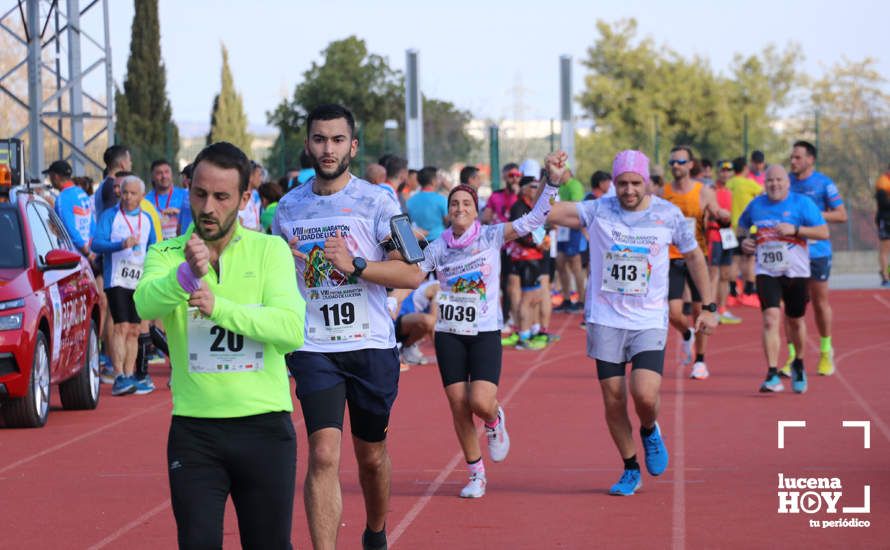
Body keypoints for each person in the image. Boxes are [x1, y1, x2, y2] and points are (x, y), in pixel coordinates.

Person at [134, 141, 305, 549]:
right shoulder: (166, 252)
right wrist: (185, 277)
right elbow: (144, 302)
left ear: (245, 198)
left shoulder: (271, 250)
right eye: (200, 194)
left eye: (222, 196)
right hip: (196, 432)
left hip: (264, 427)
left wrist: (220, 307)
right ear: (188, 189)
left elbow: (290, 329)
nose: (208, 207)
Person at [272, 103, 423, 550]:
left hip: (371, 345)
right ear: (307, 144)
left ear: (352, 146)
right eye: (319, 139)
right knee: (322, 454)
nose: (328, 148)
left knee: (371, 457)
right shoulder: (288, 208)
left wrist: (356, 264)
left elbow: (412, 272)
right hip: (314, 344)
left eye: (338, 140)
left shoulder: (379, 201)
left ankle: (375, 532)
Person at [546, 149, 717, 496]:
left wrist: (710, 304)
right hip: (606, 318)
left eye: (635, 183)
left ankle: (650, 429)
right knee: (613, 397)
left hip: (649, 318)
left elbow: (695, 256)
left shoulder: (668, 215)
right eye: (622, 183)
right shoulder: (597, 210)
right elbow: (546, 213)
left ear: (648, 184)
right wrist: (552, 179)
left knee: (644, 391)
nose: (628, 190)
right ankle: (629, 467)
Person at [418, 153, 566, 498]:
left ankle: (495, 419)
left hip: (483, 331)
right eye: (454, 203)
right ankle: (476, 474)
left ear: (475, 208)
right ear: (448, 210)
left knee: (480, 400)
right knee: (458, 404)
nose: (459, 208)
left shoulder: (490, 236)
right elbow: (412, 274)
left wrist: (553, 183)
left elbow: (533, 221)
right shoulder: (437, 247)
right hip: (449, 333)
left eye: (465, 202)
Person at [737, 165, 828, 393]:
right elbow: (741, 226)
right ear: (764, 183)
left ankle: (798, 362)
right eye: (770, 181)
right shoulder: (756, 205)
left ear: (787, 182)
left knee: (795, 320)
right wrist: (744, 241)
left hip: (796, 272)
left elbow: (823, 232)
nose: (774, 184)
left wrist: (796, 230)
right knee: (770, 318)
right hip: (767, 271)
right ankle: (772, 373)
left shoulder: (802, 203)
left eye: (779, 180)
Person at [663, 146, 730, 380]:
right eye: (672, 162)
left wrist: (722, 215)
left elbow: (717, 211)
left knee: (699, 310)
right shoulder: (664, 192)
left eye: (680, 161)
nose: (676, 166)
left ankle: (700, 361)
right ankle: (686, 334)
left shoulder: (704, 191)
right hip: (671, 256)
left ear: (691, 165)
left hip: (697, 256)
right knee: (672, 312)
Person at [91, 175, 157, 395]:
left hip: (139, 279)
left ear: (141, 196)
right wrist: (120, 244)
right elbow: (97, 243)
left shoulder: (146, 219)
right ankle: (119, 375)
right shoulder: (110, 216)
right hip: (116, 278)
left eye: (133, 193)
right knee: (121, 326)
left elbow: (154, 248)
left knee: (135, 330)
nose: (128, 197)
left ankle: (130, 376)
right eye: (125, 192)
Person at [786, 140, 846, 377]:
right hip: (791, 252)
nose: (793, 161)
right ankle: (792, 357)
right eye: (791, 157)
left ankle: (825, 352)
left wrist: (812, 214)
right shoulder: (785, 183)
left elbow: (841, 215)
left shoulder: (824, 183)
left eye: (798, 157)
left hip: (817, 252)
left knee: (820, 303)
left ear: (810, 159)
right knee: (790, 307)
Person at [726, 157, 764, 307]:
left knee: (734, 261)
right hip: (748, 227)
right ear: (744, 168)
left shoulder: (729, 184)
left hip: (730, 228)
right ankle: (749, 293)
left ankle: (732, 293)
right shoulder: (749, 184)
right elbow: (764, 194)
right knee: (749, 260)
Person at [708, 161, 741, 324]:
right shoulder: (710, 191)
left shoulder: (729, 191)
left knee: (726, 274)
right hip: (714, 236)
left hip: (727, 236)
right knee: (713, 274)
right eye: (723, 170)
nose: (726, 173)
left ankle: (722, 308)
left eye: (729, 170)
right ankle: (711, 309)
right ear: (717, 172)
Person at [43, 160, 95, 259]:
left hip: (73, 256)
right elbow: (92, 224)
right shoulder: (82, 193)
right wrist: (91, 252)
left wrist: (87, 253)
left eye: (50, 176)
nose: (49, 180)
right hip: (88, 251)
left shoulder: (63, 199)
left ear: (55, 177)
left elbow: (70, 230)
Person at [554, 165, 587, 312]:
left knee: (575, 265)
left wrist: (558, 208)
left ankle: (581, 300)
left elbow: (575, 208)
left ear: (567, 172)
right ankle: (567, 299)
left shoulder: (575, 185)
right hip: (562, 229)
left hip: (573, 229)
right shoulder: (560, 187)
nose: (559, 177)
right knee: (560, 263)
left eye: (561, 174)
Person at [146, 159, 189, 239]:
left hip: (181, 243)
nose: (164, 176)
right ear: (152, 177)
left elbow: (192, 219)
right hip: (158, 246)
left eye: (167, 172)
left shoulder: (185, 195)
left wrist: (178, 213)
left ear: (171, 174)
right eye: (159, 173)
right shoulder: (146, 201)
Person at [407, 166, 448, 241]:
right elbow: (448, 221)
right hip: (439, 241)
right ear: (433, 181)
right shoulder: (441, 199)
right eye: (438, 178)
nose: (440, 180)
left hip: (418, 243)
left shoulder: (410, 200)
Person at [875, 163, 890, 286]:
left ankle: (886, 271)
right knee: (885, 248)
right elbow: (883, 204)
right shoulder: (883, 182)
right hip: (886, 219)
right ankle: (885, 277)